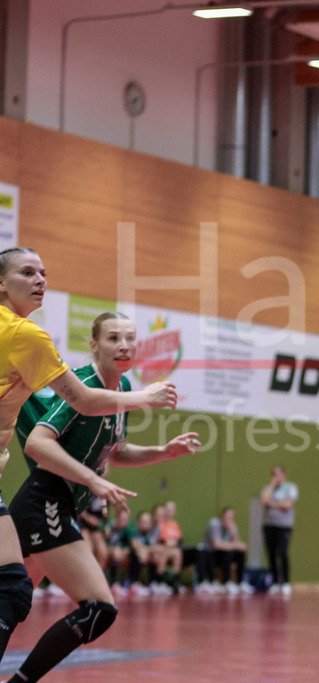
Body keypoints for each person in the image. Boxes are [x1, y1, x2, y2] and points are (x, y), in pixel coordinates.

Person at [0, 247, 176, 663]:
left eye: (44, 272)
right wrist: (145, 397)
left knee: (14, 590)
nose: (40, 280)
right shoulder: (28, 337)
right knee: (16, 589)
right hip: (46, 500)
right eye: (27, 272)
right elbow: (73, 407)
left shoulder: (115, 388)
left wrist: (163, 451)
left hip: (58, 502)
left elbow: (116, 451)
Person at [259, 465, 298, 596]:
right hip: (269, 525)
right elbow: (263, 500)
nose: (276, 477)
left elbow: (287, 505)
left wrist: (272, 503)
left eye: (278, 474)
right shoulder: (268, 488)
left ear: (284, 475)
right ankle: (275, 582)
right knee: (271, 553)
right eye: (274, 474)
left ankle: (285, 582)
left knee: (282, 552)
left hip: (284, 526)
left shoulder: (290, 488)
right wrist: (271, 486)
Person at [196, 506, 250, 595]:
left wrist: (233, 533)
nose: (230, 520)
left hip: (224, 553)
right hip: (211, 554)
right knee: (227, 553)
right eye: (228, 517)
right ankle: (225, 582)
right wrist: (234, 545)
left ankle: (240, 582)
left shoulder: (233, 527)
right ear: (222, 516)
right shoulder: (214, 523)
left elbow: (240, 546)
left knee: (239, 554)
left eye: (232, 517)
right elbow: (217, 545)